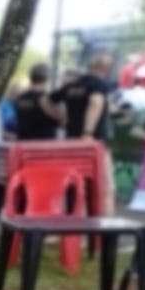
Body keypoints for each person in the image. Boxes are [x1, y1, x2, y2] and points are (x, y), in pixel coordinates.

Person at [46, 53, 116, 213]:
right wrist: (88, 132)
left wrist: (62, 119)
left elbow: (47, 101)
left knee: (74, 185)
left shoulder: (72, 86)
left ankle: (72, 228)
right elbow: (96, 102)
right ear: (107, 69)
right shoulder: (99, 84)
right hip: (94, 142)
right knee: (105, 187)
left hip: (71, 142)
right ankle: (107, 229)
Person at [14, 64, 60, 141]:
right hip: (42, 145)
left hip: (24, 143)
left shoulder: (20, 98)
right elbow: (62, 119)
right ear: (47, 78)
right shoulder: (44, 99)